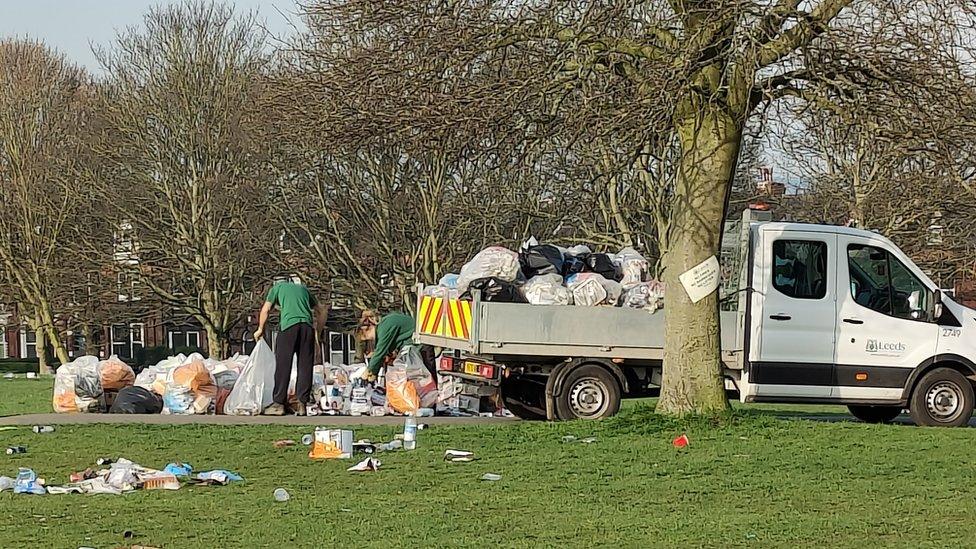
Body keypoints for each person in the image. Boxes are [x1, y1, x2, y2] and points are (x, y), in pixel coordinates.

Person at [254, 277, 321, 416]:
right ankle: (302, 403)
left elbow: (265, 310)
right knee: (305, 366)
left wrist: (260, 329)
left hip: (289, 327)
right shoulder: (304, 289)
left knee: (283, 365)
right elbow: (322, 310)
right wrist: (318, 333)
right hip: (307, 328)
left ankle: (278, 403)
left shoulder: (276, 289)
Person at [361, 312, 437, 384]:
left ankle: (431, 394)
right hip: (417, 344)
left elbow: (380, 352)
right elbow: (384, 351)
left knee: (425, 376)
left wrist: (369, 371)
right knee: (422, 376)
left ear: (369, 328)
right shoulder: (385, 324)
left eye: (367, 337)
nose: (370, 340)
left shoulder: (384, 328)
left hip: (419, 345)